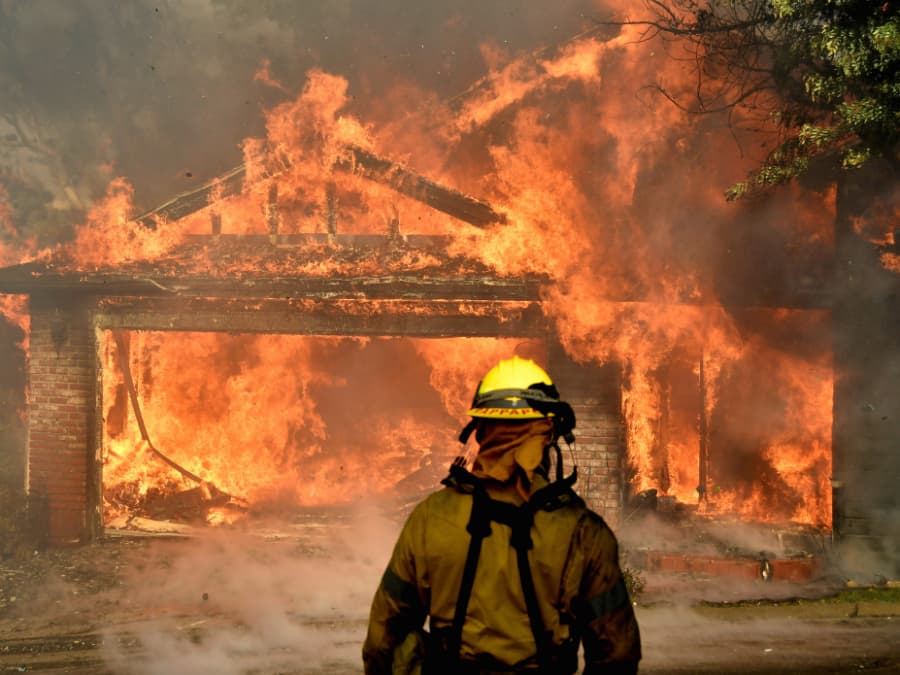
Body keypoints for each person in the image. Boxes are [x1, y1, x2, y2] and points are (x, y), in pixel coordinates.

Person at [363, 356, 641, 674]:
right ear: (549, 432)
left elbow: (384, 641)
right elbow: (617, 653)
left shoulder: (430, 519)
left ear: (480, 432)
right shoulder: (583, 532)